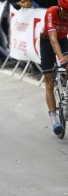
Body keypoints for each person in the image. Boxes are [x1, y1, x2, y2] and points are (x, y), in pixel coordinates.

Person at [40, 0, 68, 135]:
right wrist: (61, 59)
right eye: (66, 12)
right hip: (47, 41)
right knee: (49, 82)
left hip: (63, 41)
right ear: (60, 8)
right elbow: (53, 39)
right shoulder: (51, 12)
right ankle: (54, 119)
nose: (67, 15)